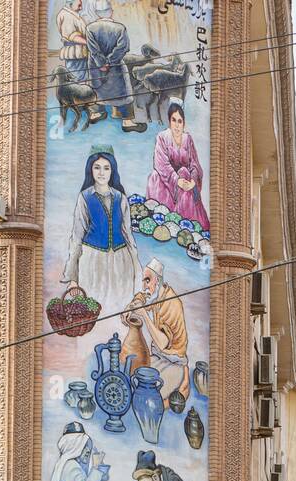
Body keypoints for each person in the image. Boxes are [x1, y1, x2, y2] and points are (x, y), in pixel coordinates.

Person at [63, 147, 141, 311]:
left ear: (112, 171)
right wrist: (72, 278)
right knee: (94, 308)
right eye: (97, 167)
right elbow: (77, 237)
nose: (101, 173)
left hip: (121, 262)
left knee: (120, 307)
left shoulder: (121, 198)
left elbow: (128, 234)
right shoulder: (84, 197)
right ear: (90, 170)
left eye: (106, 168)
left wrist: (137, 270)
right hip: (92, 262)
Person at [126, 258, 189, 404]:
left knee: (147, 397)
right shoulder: (157, 295)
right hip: (158, 358)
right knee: (132, 381)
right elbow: (142, 297)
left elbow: (162, 343)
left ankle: (183, 379)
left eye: (148, 280)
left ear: (158, 280)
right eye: (144, 281)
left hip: (173, 362)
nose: (145, 286)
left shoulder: (171, 304)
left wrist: (143, 314)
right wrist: (129, 308)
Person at [146, 101, 210, 230]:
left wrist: (192, 181)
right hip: (166, 181)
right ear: (169, 121)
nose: (177, 125)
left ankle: (188, 223)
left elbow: (194, 163)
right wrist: (177, 181)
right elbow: (161, 164)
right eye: (174, 120)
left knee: (185, 172)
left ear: (183, 123)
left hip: (185, 180)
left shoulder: (188, 139)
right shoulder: (162, 137)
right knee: (154, 176)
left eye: (180, 121)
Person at [85, 0, 146, 132]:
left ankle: (96, 113)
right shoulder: (120, 28)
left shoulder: (89, 28)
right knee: (123, 91)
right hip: (115, 66)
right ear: (111, 12)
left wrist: (101, 63)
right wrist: (110, 62)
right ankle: (127, 121)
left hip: (96, 67)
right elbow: (123, 48)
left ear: (97, 13)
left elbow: (93, 49)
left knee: (97, 89)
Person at [56, 0, 90, 83]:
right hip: (75, 53)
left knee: (81, 80)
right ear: (71, 3)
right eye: (79, 5)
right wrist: (90, 43)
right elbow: (73, 36)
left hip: (80, 53)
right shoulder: (67, 15)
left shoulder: (73, 14)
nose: (81, 8)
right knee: (76, 80)